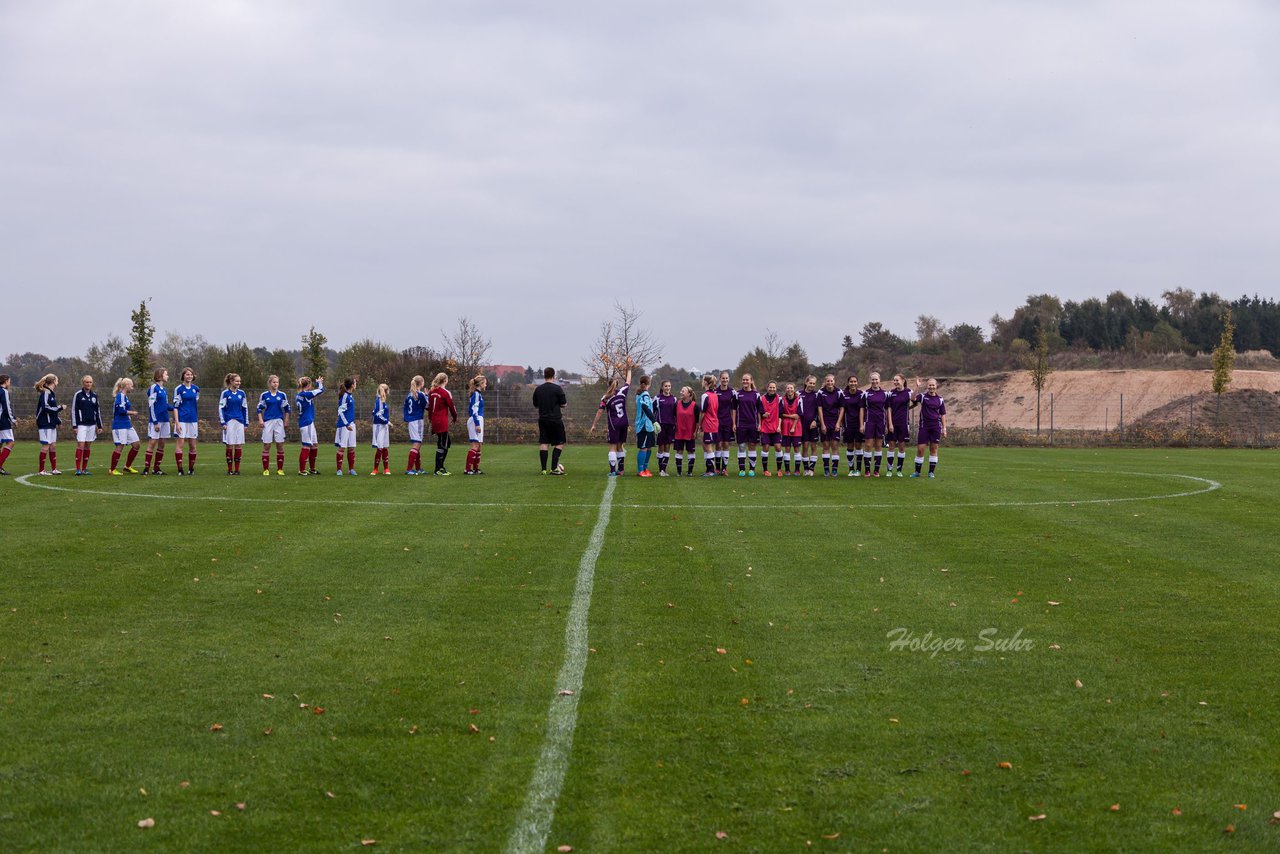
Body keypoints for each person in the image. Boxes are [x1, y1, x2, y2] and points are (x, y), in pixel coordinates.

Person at [589, 365, 632, 476]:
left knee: (613, 447)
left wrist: (594, 424)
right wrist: (629, 368)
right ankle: (621, 470)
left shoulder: (605, 398)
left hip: (614, 424)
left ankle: (613, 471)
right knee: (620, 446)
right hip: (624, 423)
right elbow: (628, 381)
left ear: (608, 385)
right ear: (617, 385)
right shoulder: (622, 392)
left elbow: (599, 411)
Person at [533, 367, 568, 475]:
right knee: (560, 443)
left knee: (544, 443)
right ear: (554, 376)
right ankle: (554, 468)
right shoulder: (558, 388)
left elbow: (535, 404)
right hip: (555, 419)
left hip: (543, 419)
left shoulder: (538, 389)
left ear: (544, 375)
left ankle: (543, 469)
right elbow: (564, 404)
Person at [911, 377, 948, 478]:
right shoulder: (922, 396)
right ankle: (917, 472)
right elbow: (913, 399)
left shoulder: (940, 399)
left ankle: (931, 472)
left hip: (936, 427)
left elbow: (943, 414)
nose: (931, 387)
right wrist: (917, 387)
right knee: (920, 449)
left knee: (934, 448)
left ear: (936, 386)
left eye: (933, 385)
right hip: (924, 427)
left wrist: (944, 428)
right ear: (927, 386)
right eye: (929, 385)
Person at [143, 368, 175, 475]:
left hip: (165, 420)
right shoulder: (153, 388)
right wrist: (155, 422)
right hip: (156, 421)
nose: (168, 376)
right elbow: (151, 406)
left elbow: (165, 405)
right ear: (160, 375)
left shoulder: (164, 390)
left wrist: (176, 407)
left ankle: (156, 469)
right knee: (152, 443)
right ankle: (146, 469)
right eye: (166, 374)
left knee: (162, 444)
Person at [257, 374, 291, 476]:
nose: (275, 384)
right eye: (274, 382)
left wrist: (286, 420)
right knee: (267, 445)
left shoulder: (282, 395)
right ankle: (266, 469)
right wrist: (261, 420)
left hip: (279, 422)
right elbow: (259, 409)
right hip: (268, 422)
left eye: (277, 382)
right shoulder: (264, 395)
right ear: (270, 383)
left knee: (280, 445)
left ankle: (280, 469)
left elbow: (287, 409)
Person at [108, 377, 141, 475]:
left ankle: (127, 466)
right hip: (120, 425)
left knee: (136, 444)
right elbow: (121, 411)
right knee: (120, 446)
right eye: (131, 385)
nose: (132, 387)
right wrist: (132, 413)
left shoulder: (125, 396)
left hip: (127, 424)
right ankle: (112, 470)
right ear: (126, 386)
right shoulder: (120, 396)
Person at [71, 375, 103, 475]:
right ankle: (78, 469)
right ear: (83, 383)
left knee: (88, 446)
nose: (88, 384)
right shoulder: (78, 395)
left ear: (92, 383)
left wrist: (100, 425)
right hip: (81, 425)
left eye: (90, 382)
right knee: (80, 445)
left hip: (92, 425)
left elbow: (97, 411)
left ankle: (84, 469)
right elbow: (74, 410)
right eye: (86, 382)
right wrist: (74, 425)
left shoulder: (94, 395)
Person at [427, 372, 457, 475]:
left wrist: (430, 419)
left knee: (446, 442)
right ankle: (438, 469)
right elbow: (452, 406)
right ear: (445, 380)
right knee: (442, 444)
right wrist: (455, 417)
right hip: (442, 421)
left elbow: (430, 408)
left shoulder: (431, 392)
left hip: (435, 420)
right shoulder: (445, 392)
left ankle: (441, 467)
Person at [860, 372, 889, 477]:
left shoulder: (885, 394)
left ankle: (876, 470)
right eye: (873, 379)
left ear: (879, 380)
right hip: (869, 422)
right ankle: (867, 471)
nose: (874, 381)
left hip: (881, 422)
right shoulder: (866, 393)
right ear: (870, 380)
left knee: (878, 446)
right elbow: (862, 410)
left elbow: (887, 410)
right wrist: (861, 424)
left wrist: (887, 424)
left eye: (876, 379)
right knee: (868, 445)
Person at [219, 373, 249, 475]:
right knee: (229, 445)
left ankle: (237, 470)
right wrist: (223, 422)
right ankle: (230, 469)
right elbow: (221, 408)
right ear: (231, 381)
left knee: (238, 445)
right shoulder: (225, 394)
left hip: (240, 421)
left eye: (239, 381)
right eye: (237, 381)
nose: (239, 383)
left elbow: (245, 408)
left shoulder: (242, 393)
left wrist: (246, 423)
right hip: (229, 422)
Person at [294, 376, 324, 475]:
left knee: (314, 445)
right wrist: (319, 382)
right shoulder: (306, 394)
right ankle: (302, 470)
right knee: (306, 445)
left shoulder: (299, 394)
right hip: (306, 422)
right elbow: (321, 390)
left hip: (308, 422)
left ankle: (312, 468)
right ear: (309, 385)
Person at [34, 373, 64, 475]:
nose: (58, 382)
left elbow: (52, 411)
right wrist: (60, 407)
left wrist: (58, 421)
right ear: (54, 381)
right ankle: (41, 470)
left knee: (53, 446)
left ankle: (54, 469)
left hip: (51, 424)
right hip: (44, 424)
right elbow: (46, 408)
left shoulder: (51, 393)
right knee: (46, 446)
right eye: (57, 380)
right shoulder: (46, 393)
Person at [885, 374, 914, 477]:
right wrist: (890, 424)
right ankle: (889, 470)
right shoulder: (891, 393)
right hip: (893, 423)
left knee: (902, 446)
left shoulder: (909, 392)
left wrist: (918, 387)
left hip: (904, 424)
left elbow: (914, 402)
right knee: (891, 446)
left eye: (897, 380)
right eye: (894, 380)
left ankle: (899, 470)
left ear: (903, 380)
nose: (895, 382)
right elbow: (889, 409)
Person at [173, 368, 200, 475]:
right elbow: (175, 407)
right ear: (183, 376)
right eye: (187, 374)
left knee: (193, 446)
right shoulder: (179, 389)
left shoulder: (196, 389)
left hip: (193, 420)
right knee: (180, 445)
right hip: (182, 420)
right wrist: (177, 423)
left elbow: (195, 402)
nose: (189, 376)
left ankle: (191, 469)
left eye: (191, 374)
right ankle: (180, 470)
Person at [734, 373, 762, 477]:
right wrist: (734, 423)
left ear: (751, 381)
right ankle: (741, 469)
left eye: (747, 380)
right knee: (741, 446)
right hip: (741, 424)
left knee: (752, 446)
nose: (745, 382)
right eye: (743, 380)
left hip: (753, 425)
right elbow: (733, 410)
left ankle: (751, 470)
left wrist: (759, 424)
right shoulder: (737, 394)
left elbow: (759, 411)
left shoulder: (756, 394)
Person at [816, 374, 843, 477]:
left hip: (835, 421)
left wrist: (838, 423)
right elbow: (819, 409)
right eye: (828, 381)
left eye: (831, 381)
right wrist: (822, 424)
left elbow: (842, 409)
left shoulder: (839, 392)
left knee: (835, 446)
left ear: (834, 381)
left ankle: (835, 470)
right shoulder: (821, 392)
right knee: (826, 445)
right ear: (825, 381)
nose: (830, 383)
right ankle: (826, 469)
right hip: (825, 421)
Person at [402, 375, 428, 475]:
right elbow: (427, 406)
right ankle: (409, 469)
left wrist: (406, 418)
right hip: (417, 421)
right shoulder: (420, 394)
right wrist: (427, 395)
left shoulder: (409, 394)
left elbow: (404, 408)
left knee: (418, 445)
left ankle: (418, 468)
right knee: (417, 443)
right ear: (421, 383)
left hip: (412, 421)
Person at [840, 375, 865, 477]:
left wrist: (862, 425)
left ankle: (858, 470)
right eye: (851, 381)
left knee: (858, 446)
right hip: (848, 424)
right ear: (848, 383)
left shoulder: (861, 394)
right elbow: (841, 410)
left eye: (855, 381)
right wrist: (842, 424)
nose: (853, 383)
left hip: (859, 424)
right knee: (850, 446)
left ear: (857, 383)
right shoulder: (843, 394)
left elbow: (862, 410)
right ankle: (851, 469)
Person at [757, 380, 782, 477]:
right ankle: (765, 470)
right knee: (766, 447)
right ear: (767, 388)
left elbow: (780, 414)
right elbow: (759, 413)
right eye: (770, 387)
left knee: (778, 447)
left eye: (773, 387)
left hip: (776, 427)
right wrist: (761, 420)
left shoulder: (779, 399)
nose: (772, 389)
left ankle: (779, 469)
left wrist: (779, 426)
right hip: (766, 427)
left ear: (776, 388)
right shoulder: (762, 398)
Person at [653, 379, 677, 476]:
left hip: (671, 425)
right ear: (662, 387)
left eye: (669, 386)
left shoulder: (674, 399)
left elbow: (676, 413)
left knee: (668, 446)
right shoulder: (657, 398)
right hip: (661, 426)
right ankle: (660, 469)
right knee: (661, 446)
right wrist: (654, 423)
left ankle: (664, 470)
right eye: (666, 386)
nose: (668, 388)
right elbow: (652, 410)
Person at [334, 378, 358, 476]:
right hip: (344, 425)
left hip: (351, 424)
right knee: (342, 447)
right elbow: (340, 411)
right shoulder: (345, 396)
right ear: (352, 385)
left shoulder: (350, 396)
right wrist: (346, 424)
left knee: (351, 447)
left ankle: (351, 469)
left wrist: (350, 423)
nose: (356, 384)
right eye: (355, 383)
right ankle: (339, 470)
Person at [797, 375, 820, 477]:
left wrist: (815, 420)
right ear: (806, 382)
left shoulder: (817, 395)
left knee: (814, 446)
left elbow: (819, 410)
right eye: (810, 383)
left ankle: (812, 468)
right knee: (805, 447)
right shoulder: (798, 394)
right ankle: (806, 469)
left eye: (814, 383)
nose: (812, 385)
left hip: (813, 425)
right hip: (802, 424)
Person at [633, 374, 656, 477]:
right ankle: (640, 470)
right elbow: (645, 408)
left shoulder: (642, 394)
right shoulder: (644, 394)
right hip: (644, 425)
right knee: (644, 448)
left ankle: (646, 468)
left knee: (649, 447)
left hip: (648, 425)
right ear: (649, 383)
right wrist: (654, 421)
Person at [672, 385, 698, 476]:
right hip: (679, 432)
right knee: (679, 451)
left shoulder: (695, 406)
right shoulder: (677, 404)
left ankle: (690, 472)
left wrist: (696, 432)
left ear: (689, 394)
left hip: (690, 433)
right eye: (681, 391)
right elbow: (674, 417)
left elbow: (698, 421)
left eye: (683, 391)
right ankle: (679, 472)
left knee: (691, 452)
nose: (681, 392)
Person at [714, 371, 736, 475]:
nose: (725, 380)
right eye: (723, 378)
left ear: (729, 379)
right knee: (718, 444)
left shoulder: (732, 391)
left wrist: (734, 423)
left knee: (726, 444)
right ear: (720, 379)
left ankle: (724, 469)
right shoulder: (715, 391)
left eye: (726, 378)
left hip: (727, 421)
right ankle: (717, 468)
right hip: (717, 421)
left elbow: (734, 409)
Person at [778, 382, 802, 475]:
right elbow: (780, 414)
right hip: (785, 426)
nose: (789, 390)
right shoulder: (782, 400)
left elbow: (799, 415)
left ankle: (797, 470)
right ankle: (787, 470)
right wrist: (791, 416)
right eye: (788, 388)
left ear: (794, 389)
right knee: (787, 448)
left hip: (797, 426)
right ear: (785, 390)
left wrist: (793, 426)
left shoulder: (799, 400)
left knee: (796, 449)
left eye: (791, 388)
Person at [698, 373, 720, 477]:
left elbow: (703, 412)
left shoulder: (705, 395)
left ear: (706, 383)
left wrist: (699, 425)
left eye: (703, 380)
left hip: (708, 423)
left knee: (708, 446)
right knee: (705, 445)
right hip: (714, 423)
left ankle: (711, 471)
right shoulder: (715, 394)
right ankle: (708, 469)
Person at [465, 375, 486, 475]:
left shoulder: (478, 394)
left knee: (479, 445)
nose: (486, 384)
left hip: (478, 420)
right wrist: (477, 424)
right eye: (485, 382)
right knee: (475, 444)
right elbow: (474, 410)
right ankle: (468, 469)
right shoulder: (476, 394)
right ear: (481, 383)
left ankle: (476, 469)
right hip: (475, 420)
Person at [371, 383, 391, 475]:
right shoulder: (379, 400)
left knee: (385, 447)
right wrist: (387, 421)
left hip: (384, 426)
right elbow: (377, 414)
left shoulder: (382, 400)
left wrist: (386, 422)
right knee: (380, 448)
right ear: (385, 391)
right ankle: (375, 469)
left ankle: (386, 468)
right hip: (379, 426)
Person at [0, 374, 14, 476]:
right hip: (2, 421)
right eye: (9, 381)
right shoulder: (4, 391)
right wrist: (13, 420)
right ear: (5, 381)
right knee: (10, 442)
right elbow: (6, 408)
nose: (10, 383)